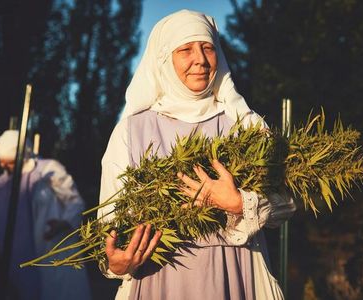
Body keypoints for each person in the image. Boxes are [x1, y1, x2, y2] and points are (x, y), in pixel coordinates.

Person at [99, 9, 296, 300]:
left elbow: (287, 202)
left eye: (208, 48)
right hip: (158, 282)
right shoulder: (131, 131)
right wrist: (115, 265)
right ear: (164, 59)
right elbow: (109, 224)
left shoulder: (245, 125)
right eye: (185, 50)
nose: (201, 60)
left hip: (234, 277)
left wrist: (239, 203)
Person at [0, 130, 91, 300]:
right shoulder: (1, 184)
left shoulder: (48, 170)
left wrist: (65, 222)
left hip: (52, 251)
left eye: (8, 163)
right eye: (1, 163)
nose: (4, 167)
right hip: (19, 260)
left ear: (21, 156)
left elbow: (74, 201)